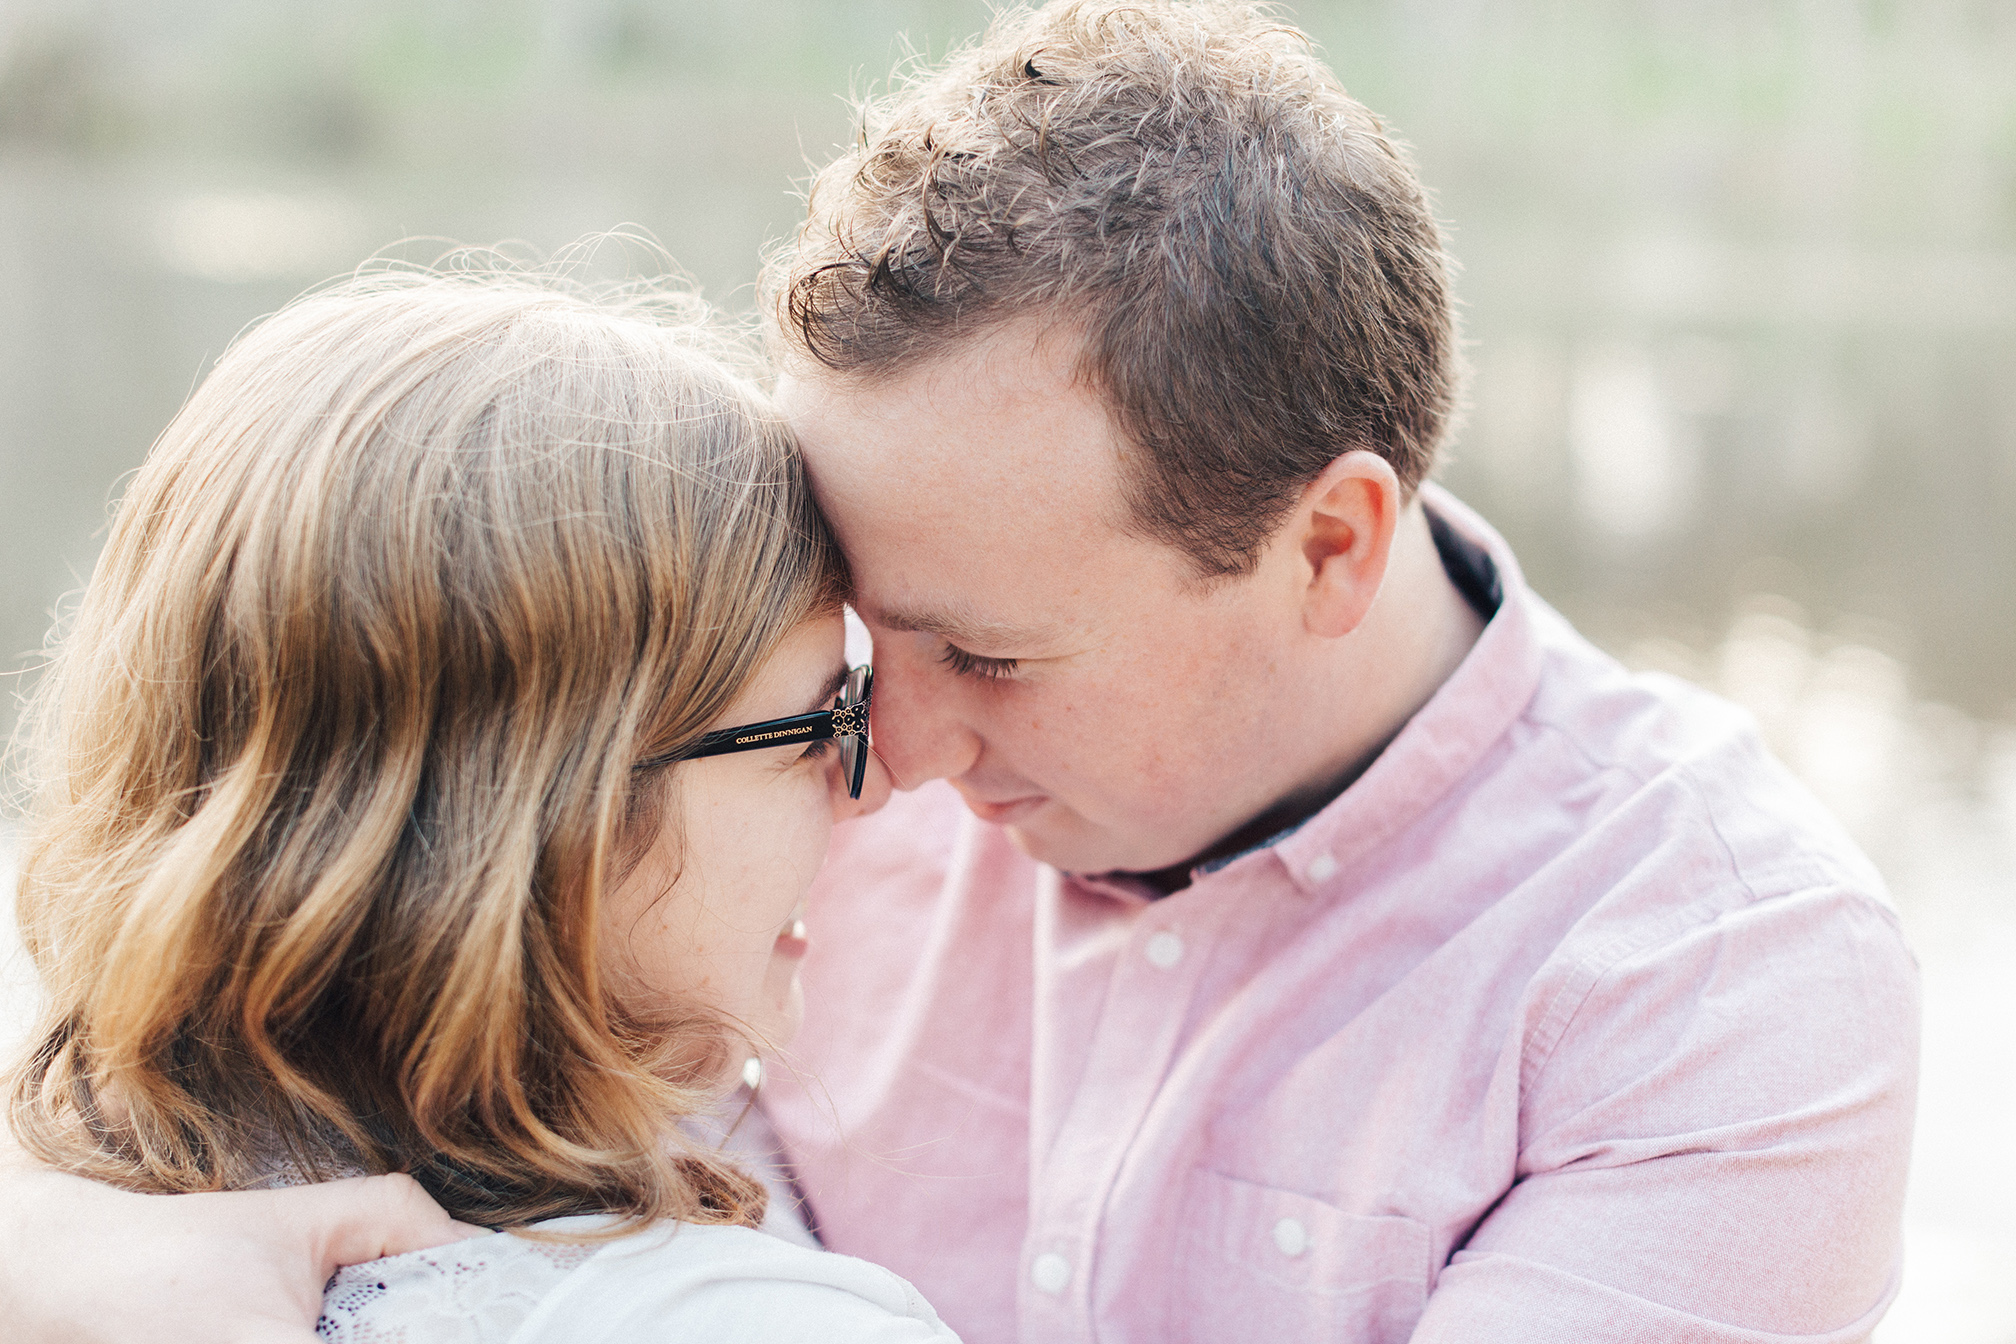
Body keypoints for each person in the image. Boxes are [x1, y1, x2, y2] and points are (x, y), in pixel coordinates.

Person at [2, 3, 1918, 1342]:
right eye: (848, 637)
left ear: (1328, 541)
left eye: (986, 652)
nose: (886, 762)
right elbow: (242, 1036)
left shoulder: (1715, 984)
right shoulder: (718, 765)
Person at [0, 262, 956, 1343]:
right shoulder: (752, 1321)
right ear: (562, 808)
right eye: (821, 728)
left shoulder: (102, 1186)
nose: (869, 798)